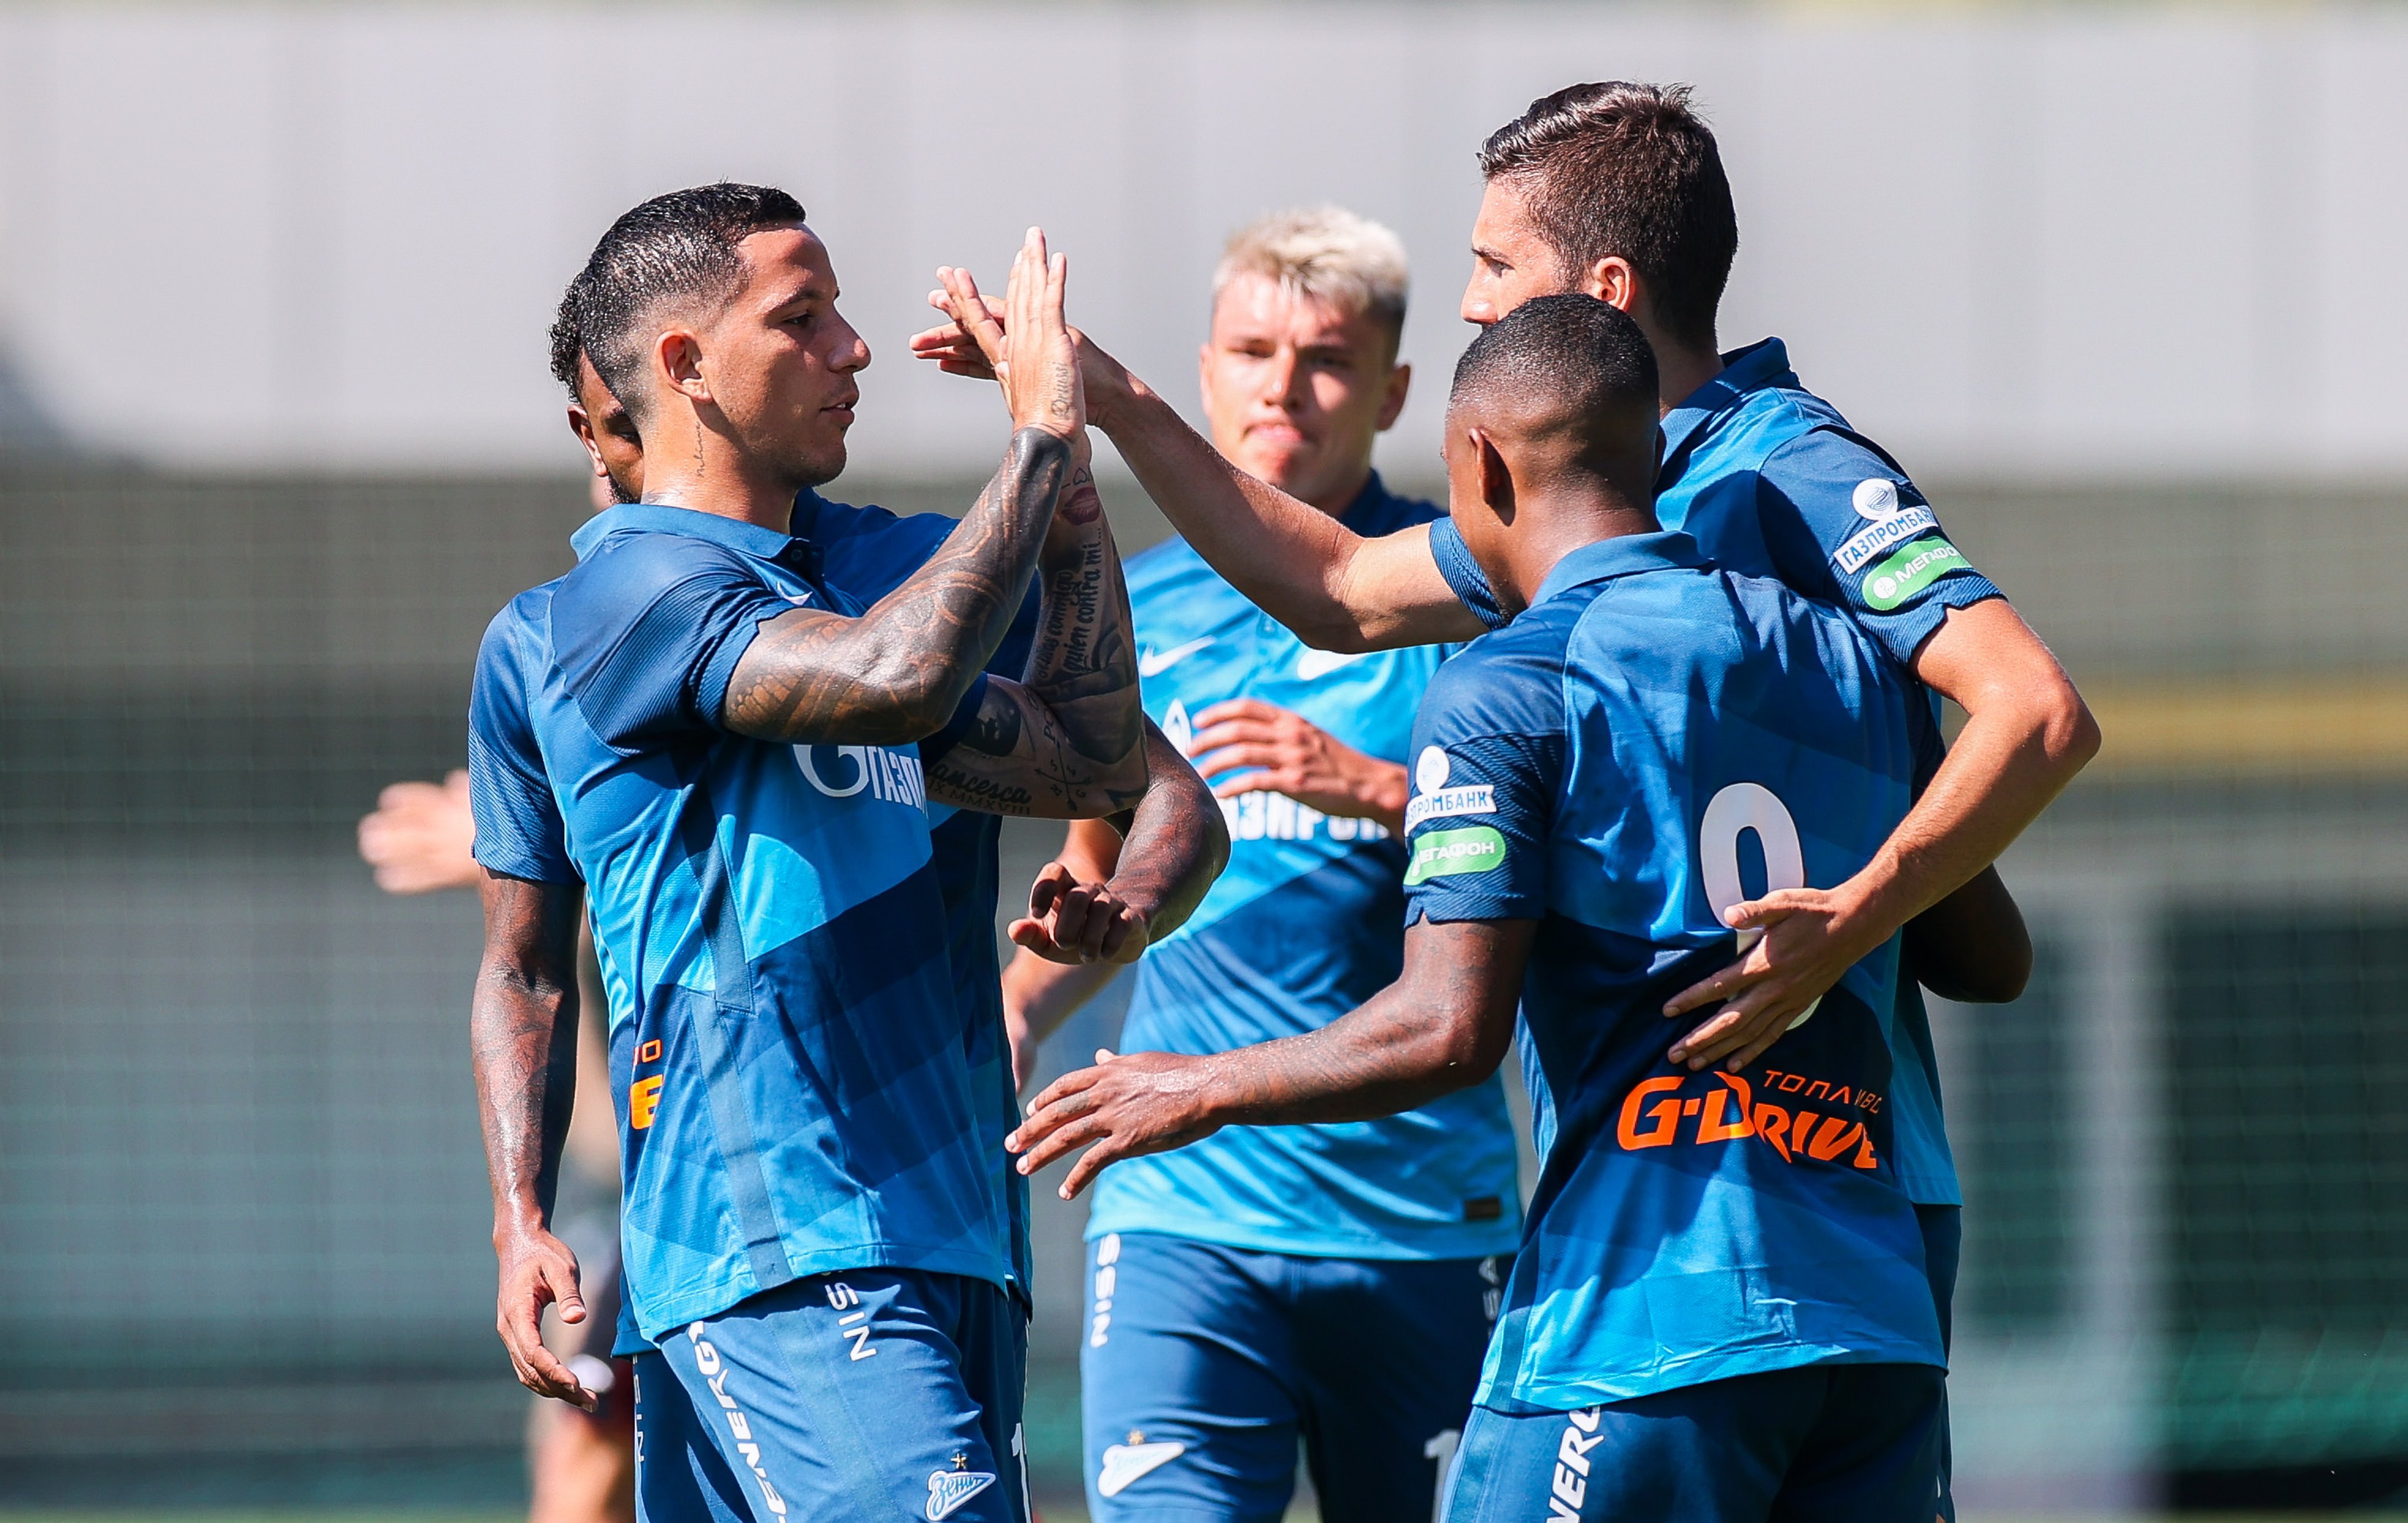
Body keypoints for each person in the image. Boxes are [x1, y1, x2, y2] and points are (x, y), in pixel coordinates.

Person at [917, 82, 2093, 1517]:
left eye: (1491, 264)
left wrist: (1850, 914)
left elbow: (2031, 707)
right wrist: (1109, 397)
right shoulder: (1611, 498)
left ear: (1603, 291)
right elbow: (1340, 588)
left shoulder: (1789, 473)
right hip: (1743, 1222)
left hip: (1796, 1190)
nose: (1471, 301)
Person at [1012, 295, 1966, 1523]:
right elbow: (1986, 953)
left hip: (1637, 1315)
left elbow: (1448, 1027)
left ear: (1479, 464)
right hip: (1872, 1322)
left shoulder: (1508, 680)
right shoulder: (1856, 661)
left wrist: (1194, 1086)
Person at [468, 186, 1146, 1523]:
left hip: (956, 1234)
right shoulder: (621, 591)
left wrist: (1071, 503)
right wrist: (519, 1215)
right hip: (777, 1236)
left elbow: (1100, 760)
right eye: (803, 318)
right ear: (685, 367)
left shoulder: (881, 575)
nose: (854, 346)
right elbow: (524, 970)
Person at [999, 208, 1519, 1523]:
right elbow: (1102, 867)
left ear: (1394, 392)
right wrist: (1018, 1007)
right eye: (1251, 351)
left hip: (1416, 1217)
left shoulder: (1470, 597)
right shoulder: (1132, 607)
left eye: (1328, 360)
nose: (1284, 386)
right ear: (1207, 368)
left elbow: (1571, 862)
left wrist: (1383, 789)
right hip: (1181, 1212)